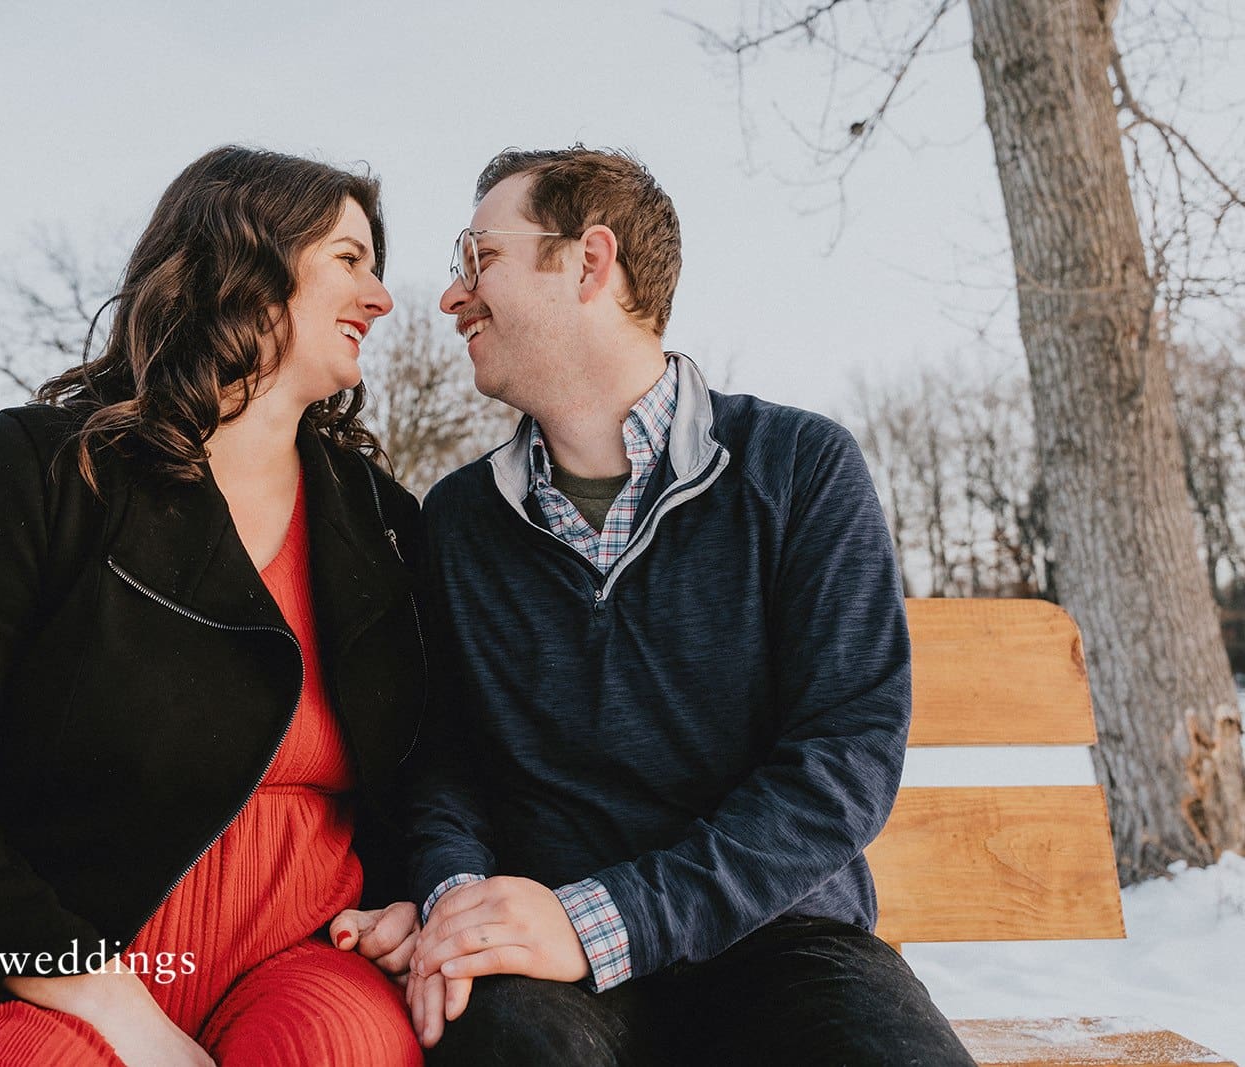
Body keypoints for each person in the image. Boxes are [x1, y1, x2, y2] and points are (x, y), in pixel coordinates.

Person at [0, 146, 427, 1067]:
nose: (381, 298)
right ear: (247, 266)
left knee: (338, 1049)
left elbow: (433, 769)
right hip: (22, 966)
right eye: (349, 260)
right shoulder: (48, 470)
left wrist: (418, 891)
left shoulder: (382, 523)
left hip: (291, 960)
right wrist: (96, 991)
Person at [404, 146, 977, 1065]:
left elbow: (844, 758)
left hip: (783, 944)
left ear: (590, 261)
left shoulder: (798, 470)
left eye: (480, 257)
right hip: (544, 968)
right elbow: (441, 764)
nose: (452, 296)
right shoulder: (458, 523)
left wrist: (609, 920)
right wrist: (458, 899)